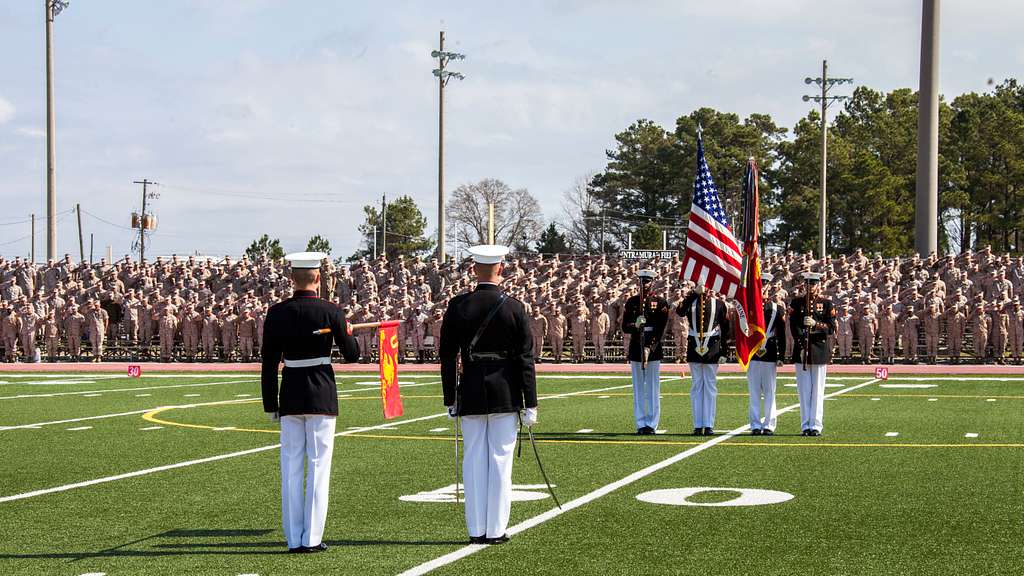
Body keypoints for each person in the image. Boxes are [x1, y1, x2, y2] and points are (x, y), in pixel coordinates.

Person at [260, 251, 360, 553]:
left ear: (293, 279)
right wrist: (349, 333)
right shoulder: (330, 311)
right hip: (321, 393)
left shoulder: (277, 313)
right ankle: (312, 538)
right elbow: (352, 355)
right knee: (318, 465)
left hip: (290, 391)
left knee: (290, 466)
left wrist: (270, 403)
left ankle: (293, 538)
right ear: (318, 278)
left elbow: (268, 363)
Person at [439, 244, 537, 545]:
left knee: (473, 461)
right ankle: (495, 529)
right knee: (500, 461)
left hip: (469, 390)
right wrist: (530, 402)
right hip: (505, 391)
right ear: (502, 269)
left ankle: (475, 529)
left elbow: (447, 355)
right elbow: (525, 359)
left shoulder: (458, 306)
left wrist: (449, 398)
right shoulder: (515, 307)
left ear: (474, 270)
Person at [622, 270, 670, 435]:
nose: (644, 284)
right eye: (642, 281)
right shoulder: (632, 302)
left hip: (653, 348)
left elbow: (661, 329)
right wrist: (635, 325)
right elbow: (624, 327)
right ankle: (640, 422)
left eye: (647, 281)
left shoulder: (660, 302)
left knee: (652, 387)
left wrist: (650, 346)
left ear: (652, 282)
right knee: (638, 388)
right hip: (636, 346)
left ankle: (652, 423)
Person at [678, 283, 729, 436]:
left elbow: (725, 329)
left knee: (710, 387)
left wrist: (724, 352)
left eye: (707, 286)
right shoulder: (691, 302)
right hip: (694, 347)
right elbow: (680, 311)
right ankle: (697, 424)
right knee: (696, 387)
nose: (705, 289)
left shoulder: (719, 304)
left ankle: (708, 424)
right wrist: (694, 294)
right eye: (702, 286)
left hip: (712, 348)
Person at [789, 272, 835, 437]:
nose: (810, 287)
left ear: (819, 285)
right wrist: (801, 342)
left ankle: (815, 425)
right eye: (808, 283)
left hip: (818, 350)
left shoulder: (826, 304)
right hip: (802, 351)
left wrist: (816, 324)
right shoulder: (797, 302)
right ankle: (805, 425)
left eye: (813, 284)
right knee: (804, 390)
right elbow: (793, 326)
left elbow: (831, 328)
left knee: (817, 391)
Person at [748, 273, 782, 435]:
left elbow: (781, 334)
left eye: (765, 286)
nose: (762, 290)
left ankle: (769, 424)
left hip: (769, 353)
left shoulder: (777, 308)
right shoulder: (749, 307)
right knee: (754, 391)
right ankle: (755, 424)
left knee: (769, 391)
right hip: (753, 354)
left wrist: (781, 356)